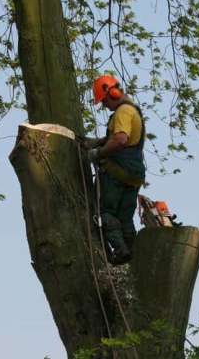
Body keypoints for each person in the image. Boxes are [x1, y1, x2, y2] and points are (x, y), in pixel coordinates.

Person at [82, 74, 146, 265]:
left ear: (113, 93)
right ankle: (134, 256)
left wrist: (98, 153)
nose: (104, 106)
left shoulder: (123, 112)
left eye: (104, 101)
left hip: (117, 172)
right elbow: (120, 138)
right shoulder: (133, 111)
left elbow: (120, 140)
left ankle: (120, 251)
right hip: (133, 175)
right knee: (125, 218)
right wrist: (98, 141)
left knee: (104, 213)